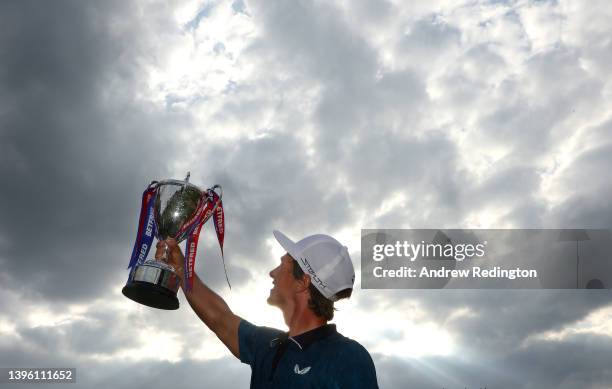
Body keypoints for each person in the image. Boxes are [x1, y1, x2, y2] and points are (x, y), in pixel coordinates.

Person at [155, 230, 379, 388]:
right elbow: (219, 318)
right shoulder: (269, 344)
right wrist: (180, 268)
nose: (272, 273)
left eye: (283, 265)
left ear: (303, 282)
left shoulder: (348, 357)